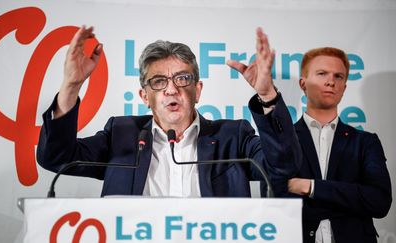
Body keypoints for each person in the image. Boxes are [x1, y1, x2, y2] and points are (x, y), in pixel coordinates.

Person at [37, 26, 301, 197]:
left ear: (197, 91)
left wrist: (267, 95)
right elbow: (56, 157)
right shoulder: (121, 134)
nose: (171, 89)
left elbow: (283, 167)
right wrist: (71, 86)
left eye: (182, 79)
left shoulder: (233, 136)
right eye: (159, 81)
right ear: (145, 97)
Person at [287, 47, 392, 243]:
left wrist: (311, 187)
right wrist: (351, 198)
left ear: (344, 87)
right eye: (321, 73)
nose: (331, 81)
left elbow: (379, 202)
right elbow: (279, 197)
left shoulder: (365, 142)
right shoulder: (283, 140)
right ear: (303, 84)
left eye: (338, 76)